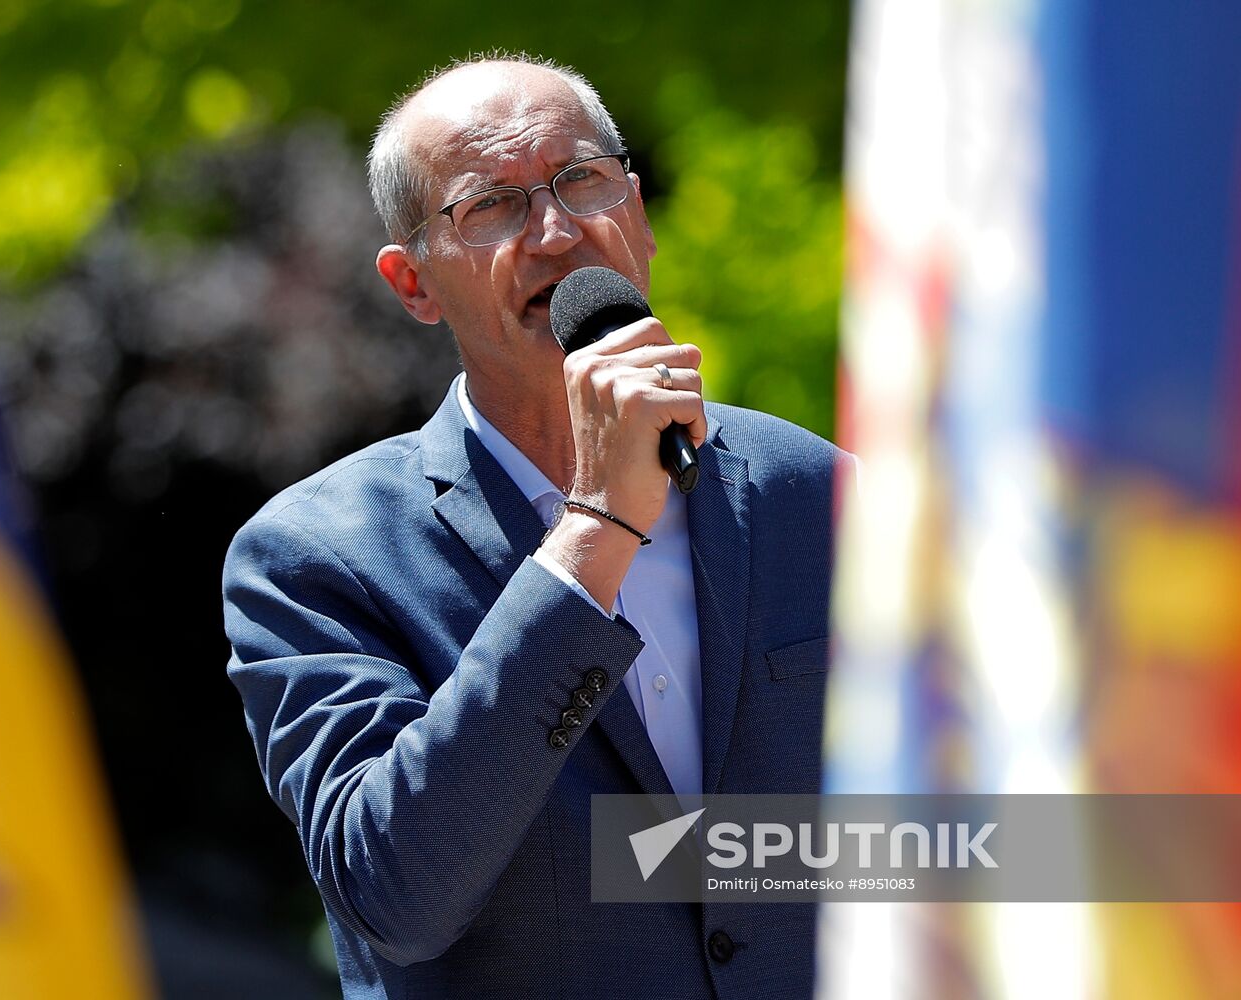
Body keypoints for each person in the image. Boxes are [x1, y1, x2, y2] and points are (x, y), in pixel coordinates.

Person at [223, 53, 842, 999]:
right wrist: (595, 524)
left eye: (582, 180)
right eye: (491, 206)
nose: (557, 231)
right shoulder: (314, 557)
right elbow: (398, 896)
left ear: (636, 214)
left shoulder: (823, 494)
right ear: (414, 285)